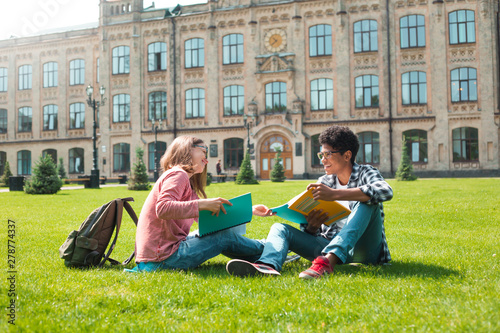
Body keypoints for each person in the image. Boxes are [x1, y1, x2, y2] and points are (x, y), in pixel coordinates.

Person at [226, 125, 393, 279]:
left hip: (365, 250)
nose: (322, 159)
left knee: (366, 200)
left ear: (347, 155)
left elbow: (385, 191)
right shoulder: (324, 181)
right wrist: (312, 227)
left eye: (328, 154)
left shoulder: (366, 172)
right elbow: (311, 232)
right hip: (326, 245)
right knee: (279, 228)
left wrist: (334, 194)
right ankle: (267, 266)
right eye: (321, 154)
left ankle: (327, 262)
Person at [126, 135, 274, 273]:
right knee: (223, 237)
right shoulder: (178, 174)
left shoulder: (186, 183)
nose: (206, 159)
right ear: (186, 150)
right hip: (162, 257)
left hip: (160, 254)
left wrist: (249, 210)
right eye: (203, 151)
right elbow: (163, 208)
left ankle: (263, 253)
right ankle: (271, 249)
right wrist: (201, 204)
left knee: (219, 233)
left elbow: (208, 218)